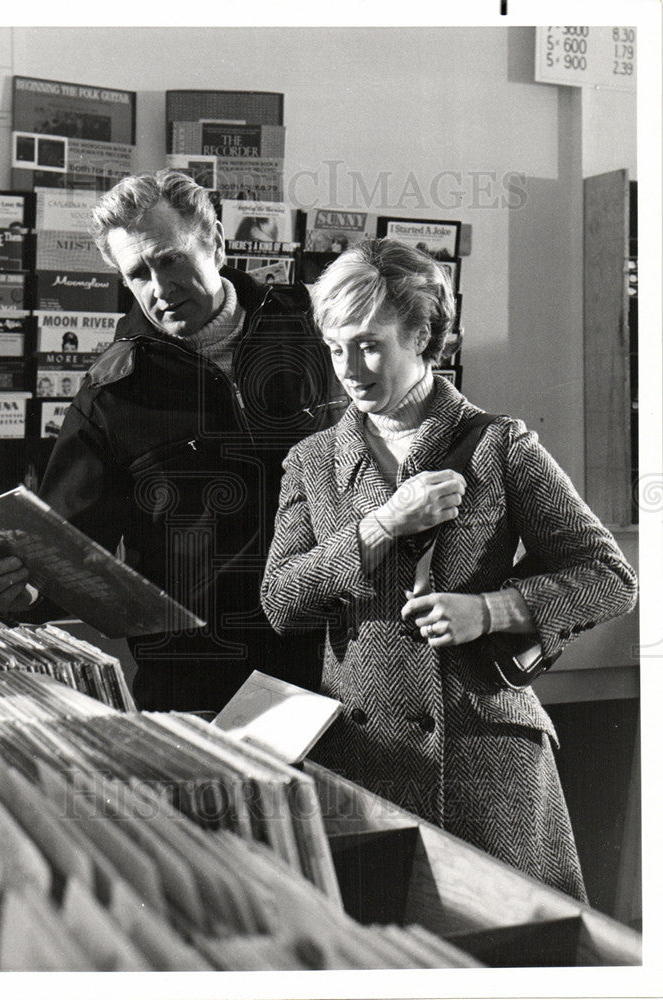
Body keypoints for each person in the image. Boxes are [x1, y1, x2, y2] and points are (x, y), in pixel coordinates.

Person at [260, 238, 638, 900]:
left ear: (423, 334)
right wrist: (383, 525)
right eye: (335, 345)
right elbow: (280, 601)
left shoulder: (499, 444)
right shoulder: (311, 460)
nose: (349, 366)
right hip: (363, 761)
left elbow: (609, 577)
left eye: (370, 344)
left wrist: (492, 610)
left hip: (483, 763)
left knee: (511, 957)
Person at [0, 170, 342, 712]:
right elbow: (65, 554)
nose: (160, 289)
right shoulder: (110, 395)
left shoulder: (321, 327)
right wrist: (17, 589)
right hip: (200, 689)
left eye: (170, 259)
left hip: (342, 666)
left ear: (213, 240)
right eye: (138, 273)